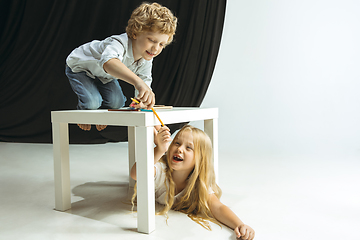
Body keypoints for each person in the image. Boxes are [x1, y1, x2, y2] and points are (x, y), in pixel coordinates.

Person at [65, 3, 177, 131]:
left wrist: (143, 100)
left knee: (117, 103)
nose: (156, 48)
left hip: (104, 76)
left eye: (161, 44)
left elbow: (144, 84)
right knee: (92, 103)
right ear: (135, 33)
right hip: (81, 68)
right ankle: (82, 112)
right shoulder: (119, 42)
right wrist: (138, 82)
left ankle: (98, 115)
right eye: (152, 40)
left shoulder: (146, 58)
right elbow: (109, 63)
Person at [130, 125, 255, 240]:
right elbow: (136, 174)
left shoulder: (198, 184)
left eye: (189, 148)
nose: (179, 149)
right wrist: (159, 149)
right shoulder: (161, 170)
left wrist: (239, 225)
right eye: (177, 143)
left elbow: (218, 207)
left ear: (200, 159)